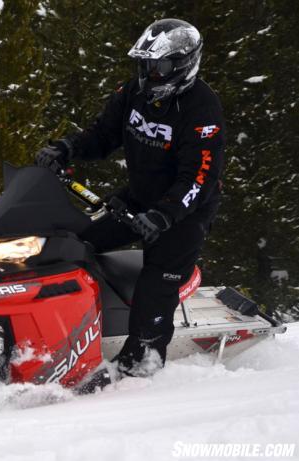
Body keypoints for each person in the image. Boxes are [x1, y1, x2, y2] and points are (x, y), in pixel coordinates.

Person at [35, 18, 225, 377]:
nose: (150, 73)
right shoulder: (133, 93)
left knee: (156, 283)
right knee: (74, 245)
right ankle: (63, 338)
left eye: (159, 66)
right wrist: (66, 148)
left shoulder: (202, 110)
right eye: (145, 65)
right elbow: (103, 134)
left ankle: (141, 365)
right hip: (140, 198)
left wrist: (164, 215)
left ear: (183, 65)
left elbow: (199, 178)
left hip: (183, 214)